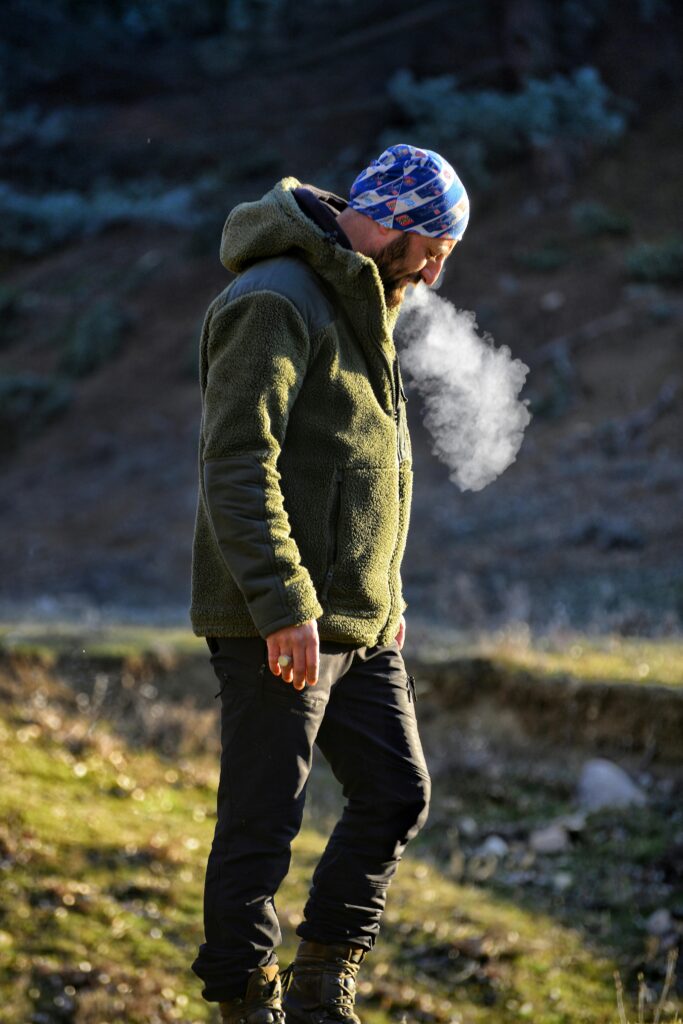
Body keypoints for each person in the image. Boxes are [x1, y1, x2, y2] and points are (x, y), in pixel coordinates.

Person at [189, 144, 469, 1023]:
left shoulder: (360, 298)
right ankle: (245, 997)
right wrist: (284, 606)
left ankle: (319, 983)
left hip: (359, 624)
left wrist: (385, 602)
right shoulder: (275, 298)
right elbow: (238, 465)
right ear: (392, 221)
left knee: (395, 791)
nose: (431, 272)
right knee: (262, 824)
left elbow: (365, 470)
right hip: (277, 621)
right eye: (431, 249)